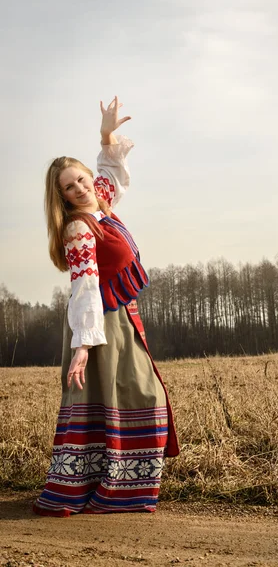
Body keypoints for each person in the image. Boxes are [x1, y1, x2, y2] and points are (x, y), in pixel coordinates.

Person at [33, 97, 179, 517]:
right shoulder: (79, 227)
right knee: (130, 394)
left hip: (125, 317)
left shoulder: (101, 201)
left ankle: (124, 488)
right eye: (69, 186)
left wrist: (106, 135)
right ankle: (107, 489)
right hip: (100, 322)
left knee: (138, 394)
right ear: (61, 197)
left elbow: (112, 171)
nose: (80, 188)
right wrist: (83, 345)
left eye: (80, 178)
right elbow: (85, 286)